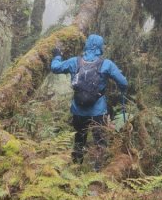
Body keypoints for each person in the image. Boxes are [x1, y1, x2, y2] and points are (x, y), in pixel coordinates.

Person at [50, 34, 128, 165]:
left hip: (78, 110)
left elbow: (55, 68)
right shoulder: (106, 64)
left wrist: (57, 55)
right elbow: (123, 83)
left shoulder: (75, 61)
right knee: (100, 142)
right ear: (100, 47)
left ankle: (76, 167)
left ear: (86, 45)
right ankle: (97, 170)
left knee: (79, 138)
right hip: (98, 112)